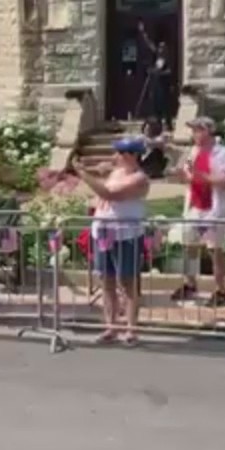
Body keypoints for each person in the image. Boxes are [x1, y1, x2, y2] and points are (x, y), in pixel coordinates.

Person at [72, 137, 151, 344]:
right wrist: (96, 170)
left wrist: (83, 173)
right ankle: (111, 327)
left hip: (126, 234)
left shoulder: (139, 178)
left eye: (119, 153)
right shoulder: (115, 172)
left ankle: (131, 329)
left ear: (131, 156)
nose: (114, 156)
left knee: (127, 282)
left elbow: (110, 193)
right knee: (106, 281)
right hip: (104, 233)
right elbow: (105, 179)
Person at [171, 117, 225, 307]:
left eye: (198, 130)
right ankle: (190, 284)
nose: (194, 134)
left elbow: (224, 181)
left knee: (215, 250)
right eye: (193, 130)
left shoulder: (223, 153)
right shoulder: (193, 152)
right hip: (194, 207)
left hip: (212, 209)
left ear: (208, 131)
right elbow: (187, 178)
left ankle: (220, 290)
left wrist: (201, 176)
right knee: (189, 247)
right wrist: (180, 175)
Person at [137, 22, 176, 127]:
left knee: (165, 105)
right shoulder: (158, 57)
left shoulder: (168, 59)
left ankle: (168, 124)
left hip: (165, 85)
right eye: (160, 47)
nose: (160, 49)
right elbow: (150, 45)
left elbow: (169, 71)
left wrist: (157, 72)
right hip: (157, 85)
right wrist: (143, 33)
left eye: (162, 48)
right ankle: (158, 124)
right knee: (156, 104)